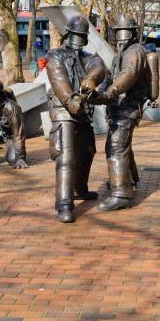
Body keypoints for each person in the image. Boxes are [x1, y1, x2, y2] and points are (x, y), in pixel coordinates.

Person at [44, 14, 108, 223]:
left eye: (82, 37)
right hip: (64, 110)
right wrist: (71, 101)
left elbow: (99, 67)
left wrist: (90, 80)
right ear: (68, 35)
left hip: (83, 112)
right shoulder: (55, 55)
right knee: (66, 156)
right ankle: (64, 204)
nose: (79, 41)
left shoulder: (89, 57)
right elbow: (59, 79)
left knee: (87, 151)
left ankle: (80, 189)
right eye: (76, 36)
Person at [90, 13, 150, 212]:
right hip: (118, 108)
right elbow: (110, 78)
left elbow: (127, 76)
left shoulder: (135, 53)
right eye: (118, 32)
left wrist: (109, 93)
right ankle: (129, 178)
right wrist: (97, 94)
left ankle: (121, 194)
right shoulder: (120, 54)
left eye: (124, 32)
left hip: (129, 107)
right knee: (123, 144)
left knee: (115, 146)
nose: (121, 36)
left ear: (132, 33)